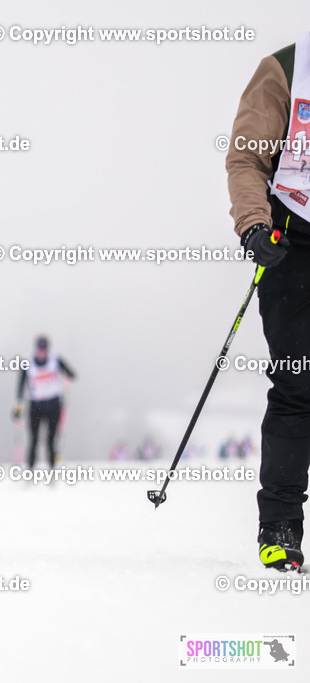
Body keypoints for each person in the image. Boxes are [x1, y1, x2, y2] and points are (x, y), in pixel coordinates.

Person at [226, 33, 310, 572]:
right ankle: (280, 527)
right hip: (292, 246)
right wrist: (255, 225)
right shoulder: (285, 69)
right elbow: (245, 160)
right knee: (298, 384)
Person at [13, 336, 75, 469]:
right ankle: (30, 470)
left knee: (51, 441)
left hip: (53, 404)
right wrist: (18, 405)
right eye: (40, 349)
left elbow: (70, 372)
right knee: (34, 439)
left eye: (44, 349)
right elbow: (21, 385)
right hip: (36, 405)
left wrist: (69, 375)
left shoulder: (55, 359)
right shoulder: (28, 362)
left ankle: (51, 469)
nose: (42, 352)